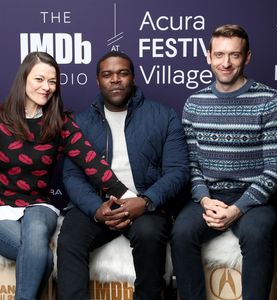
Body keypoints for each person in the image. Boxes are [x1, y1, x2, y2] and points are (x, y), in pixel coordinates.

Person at [0, 51, 136, 300]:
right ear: (24, 79)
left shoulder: (60, 123)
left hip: (36, 205)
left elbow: (93, 164)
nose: (47, 87)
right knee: (39, 257)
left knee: (36, 227)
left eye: (52, 81)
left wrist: (131, 198)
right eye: (39, 79)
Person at [170, 24, 277, 300]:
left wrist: (237, 209)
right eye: (220, 55)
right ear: (208, 56)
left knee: (256, 233)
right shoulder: (195, 102)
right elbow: (191, 163)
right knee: (182, 233)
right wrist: (203, 199)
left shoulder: (269, 100)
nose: (226, 63)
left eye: (234, 55)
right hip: (210, 195)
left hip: (255, 199)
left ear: (247, 57)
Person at [56, 51, 190, 300]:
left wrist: (146, 201)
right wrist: (97, 209)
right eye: (107, 75)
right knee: (69, 240)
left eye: (122, 73)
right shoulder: (81, 122)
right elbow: (72, 176)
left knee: (149, 235)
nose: (115, 79)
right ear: (98, 81)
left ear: (133, 77)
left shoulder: (163, 116)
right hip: (100, 205)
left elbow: (178, 171)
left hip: (145, 205)